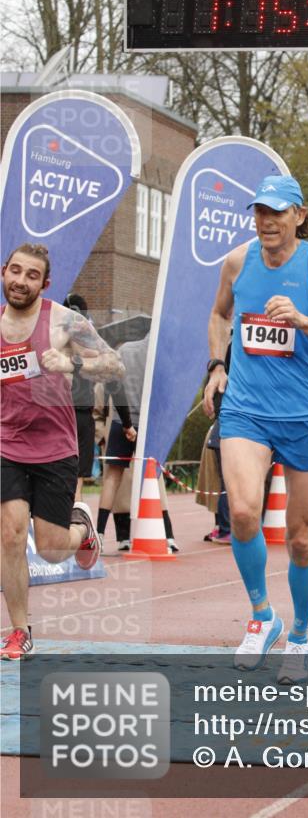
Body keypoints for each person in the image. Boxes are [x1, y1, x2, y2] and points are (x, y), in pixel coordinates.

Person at [203, 174, 308, 684]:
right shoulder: (237, 261)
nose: (266, 221)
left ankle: (300, 635)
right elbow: (219, 314)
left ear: (299, 215)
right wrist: (217, 366)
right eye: (260, 212)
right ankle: (261, 616)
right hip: (247, 409)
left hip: (304, 413)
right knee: (243, 513)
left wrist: (303, 321)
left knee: (300, 539)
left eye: (277, 211)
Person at [1, 243, 124, 660]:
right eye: (16, 271)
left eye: (31, 275)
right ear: (4, 272)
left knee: (52, 549)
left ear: (45, 283)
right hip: (7, 444)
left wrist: (72, 365)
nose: (21, 281)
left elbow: (115, 364)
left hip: (54, 446)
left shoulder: (64, 321)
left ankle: (82, 529)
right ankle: (19, 631)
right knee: (10, 533)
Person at [96, 332, 178, 553]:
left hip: (120, 420)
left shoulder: (124, 350)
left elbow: (111, 385)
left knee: (112, 478)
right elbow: (166, 392)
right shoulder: (162, 356)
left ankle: (99, 535)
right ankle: (168, 536)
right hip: (148, 422)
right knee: (154, 477)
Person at [63, 294, 96, 502]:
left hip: (61, 412)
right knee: (77, 475)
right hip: (78, 412)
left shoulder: (53, 338)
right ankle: (74, 510)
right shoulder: (90, 342)